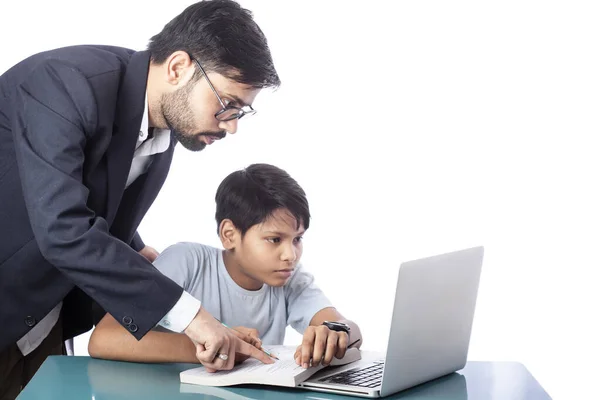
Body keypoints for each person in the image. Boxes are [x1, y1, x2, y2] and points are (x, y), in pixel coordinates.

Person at [0, 0, 280, 397]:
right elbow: (63, 228)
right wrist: (192, 317)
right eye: (226, 104)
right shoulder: (65, 83)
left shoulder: (162, 135)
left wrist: (140, 255)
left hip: (43, 323)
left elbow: (96, 204)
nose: (231, 126)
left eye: (241, 112)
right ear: (179, 67)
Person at [89, 164, 363, 369]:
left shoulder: (290, 279)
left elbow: (344, 325)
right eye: (274, 239)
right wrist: (211, 344)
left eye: (298, 239)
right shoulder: (187, 261)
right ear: (229, 234)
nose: (290, 255)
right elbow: (103, 339)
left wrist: (339, 332)